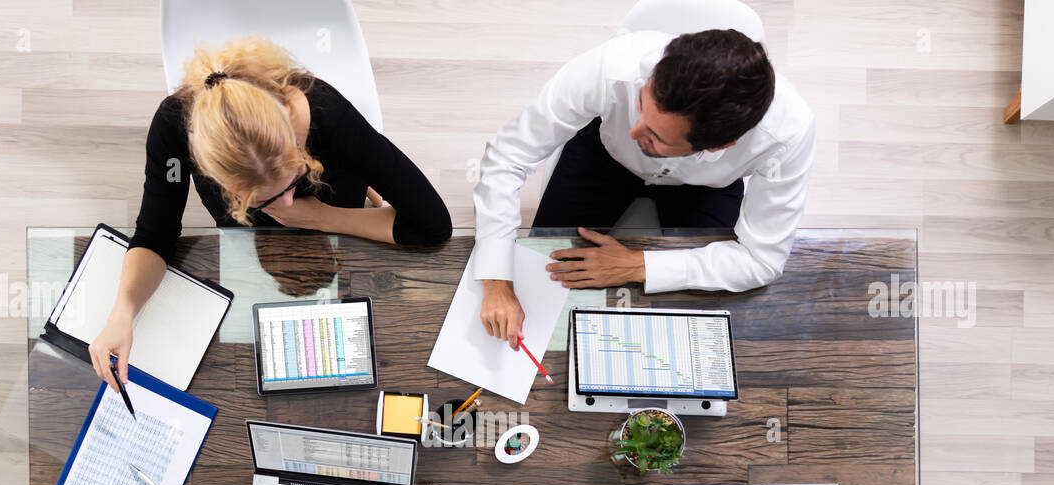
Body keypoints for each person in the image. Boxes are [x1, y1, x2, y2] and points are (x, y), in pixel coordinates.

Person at [89, 35, 452, 389]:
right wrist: (122, 314)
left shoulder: (329, 116)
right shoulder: (173, 126)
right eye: (261, 199)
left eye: (294, 178)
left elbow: (434, 226)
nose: (287, 204)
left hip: (332, 203)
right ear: (216, 178)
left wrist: (321, 216)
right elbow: (155, 235)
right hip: (251, 241)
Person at [473, 29, 816, 348]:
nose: (634, 132)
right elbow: (506, 158)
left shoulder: (788, 135)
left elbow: (761, 260)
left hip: (706, 188)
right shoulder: (611, 67)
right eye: (640, 105)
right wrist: (496, 282)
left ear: (719, 146)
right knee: (541, 275)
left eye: (656, 136)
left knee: (692, 321)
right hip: (602, 159)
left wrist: (638, 266)